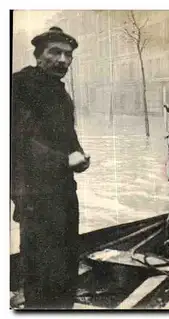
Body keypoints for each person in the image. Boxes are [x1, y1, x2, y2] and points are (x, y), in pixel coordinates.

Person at [11, 26, 91, 309]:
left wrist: (78, 155)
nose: (62, 60)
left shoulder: (60, 93)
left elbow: (68, 137)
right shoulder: (19, 86)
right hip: (33, 194)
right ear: (38, 55)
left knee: (67, 262)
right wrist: (62, 160)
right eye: (55, 52)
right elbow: (17, 141)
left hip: (64, 192)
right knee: (40, 270)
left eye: (68, 55)